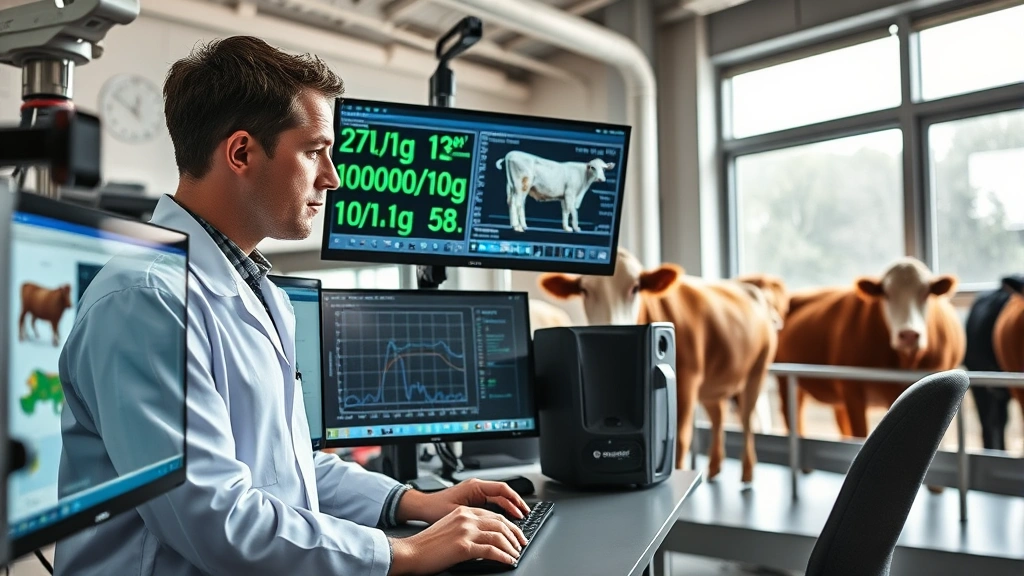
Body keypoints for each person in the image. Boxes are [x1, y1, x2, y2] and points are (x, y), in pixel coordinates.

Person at [54, 35, 529, 576]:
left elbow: (288, 469)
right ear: (241, 153)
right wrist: (405, 551)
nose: (333, 177)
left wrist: (413, 502)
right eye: (314, 151)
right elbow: (215, 519)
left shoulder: (260, 290)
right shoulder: (146, 301)